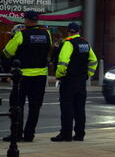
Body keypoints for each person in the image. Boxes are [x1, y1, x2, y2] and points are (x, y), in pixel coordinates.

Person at [2, 11, 52, 142]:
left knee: (17, 106)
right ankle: (30, 135)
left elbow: (6, 53)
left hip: (22, 77)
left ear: (27, 20)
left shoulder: (21, 34)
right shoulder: (47, 34)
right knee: (35, 106)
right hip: (41, 76)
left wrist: (9, 67)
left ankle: (17, 134)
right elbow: (48, 50)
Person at [51, 23, 98, 142]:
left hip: (69, 80)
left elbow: (63, 62)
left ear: (69, 32)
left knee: (67, 108)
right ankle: (79, 134)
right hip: (81, 81)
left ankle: (65, 134)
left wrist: (59, 75)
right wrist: (89, 74)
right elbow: (94, 60)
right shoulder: (85, 44)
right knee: (79, 108)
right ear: (78, 31)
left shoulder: (68, 43)